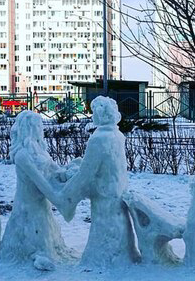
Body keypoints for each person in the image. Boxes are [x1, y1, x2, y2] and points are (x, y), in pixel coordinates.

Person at [58, 96, 139, 267]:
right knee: (116, 227)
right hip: (117, 190)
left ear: (100, 114)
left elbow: (86, 175)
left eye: (93, 111)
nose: (92, 114)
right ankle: (120, 256)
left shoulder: (99, 139)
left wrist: (66, 196)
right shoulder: (116, 135)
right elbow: (105, 164)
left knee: (104, 231)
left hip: (103, 194)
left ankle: (101, 261)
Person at [0, 110, 74, 270]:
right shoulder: (22, 156)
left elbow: (54, 171)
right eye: (36, 126)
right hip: (28, 203)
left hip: (42, 203)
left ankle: (45, 252)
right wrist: (60, 201)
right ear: (27, 128)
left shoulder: (41, 151)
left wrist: (69, 173)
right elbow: (41, 182)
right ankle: (32, 254)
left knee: (45, 231)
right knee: (31, 231)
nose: (40, 130)